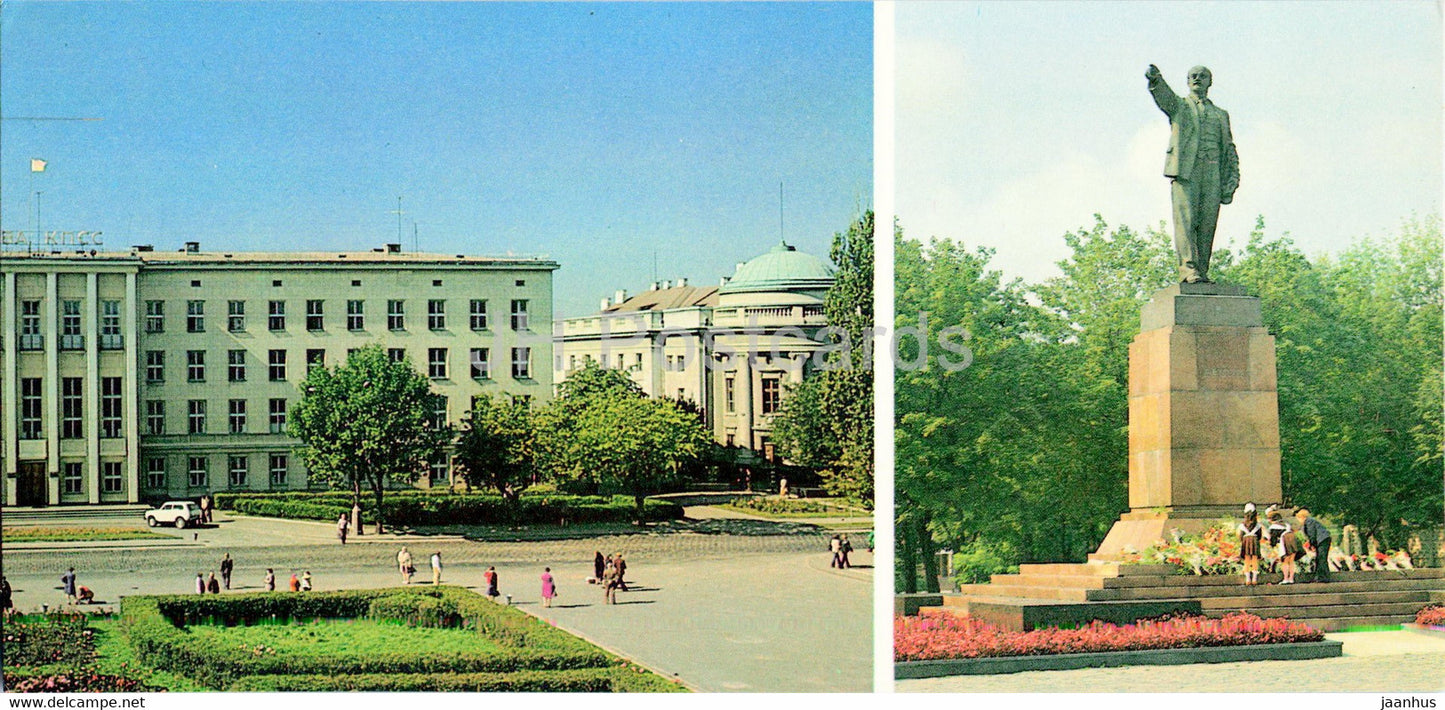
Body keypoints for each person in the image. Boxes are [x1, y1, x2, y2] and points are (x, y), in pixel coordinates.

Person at [1145, 64, 1240, 284]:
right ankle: (1188, 270)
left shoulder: (1221, 115)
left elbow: (1229, 147)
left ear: (1210, 82)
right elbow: (1165, 97)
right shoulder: (1180, 106)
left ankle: (1202, 270)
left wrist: (1232, 179)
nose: (1197, 79)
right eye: (1193, 76)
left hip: (1213, 171)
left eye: (1202, 76)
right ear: (1188, 81)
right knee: (1186, 222)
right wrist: (1156, 79)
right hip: (1187, 171)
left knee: (1207, 223)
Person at [1296, 508, 1332, 583]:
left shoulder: (1309, 521)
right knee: (1321, 558)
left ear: (1301, 517)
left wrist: (1312, 544)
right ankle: (1322, 576)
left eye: (1298, 518)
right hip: (1323, 539)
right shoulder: (1310, 521)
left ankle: (1323, 577)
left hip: (1322, 540)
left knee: (1321, 558)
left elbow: (1312, 534)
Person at [1267, 509, 1302, 584]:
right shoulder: (1286, 524)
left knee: (1285, 561)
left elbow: (1273, 540)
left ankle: (1286, 578)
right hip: (1293, 539)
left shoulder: (1274, 526)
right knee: (1291, 561)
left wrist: (1272, 546)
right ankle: (1291, 578)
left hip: (1285, 539)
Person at [1237, 503, 1263, 586]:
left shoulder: (1242, 525)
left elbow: (1240, 536)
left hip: (1246, 540)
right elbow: (1259, 535)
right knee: (1254, 559)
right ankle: (1254, 578)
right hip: (1254, 540)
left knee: (1247, 559)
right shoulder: (1257, 525)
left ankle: (1248, 578)